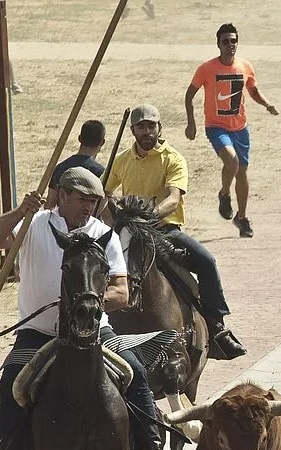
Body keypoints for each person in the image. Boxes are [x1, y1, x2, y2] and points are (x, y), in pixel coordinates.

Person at [0, 167, 187, 450]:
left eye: (94, 201)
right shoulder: (34, 224)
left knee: (136, 374)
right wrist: (19, 212)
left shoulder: (105, 235)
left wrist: (86, 302)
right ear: (62, 195)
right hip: (38, 333)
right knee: (11, 383)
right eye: (82, 199)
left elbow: (121, 292)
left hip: (94, 332)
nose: (89, 206)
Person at [105, 103, 246, 360]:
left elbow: (173, 199)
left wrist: (148, 217)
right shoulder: (121, 160)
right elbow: (103, 192)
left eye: (151, 126)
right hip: (128, 234)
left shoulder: (173, 158)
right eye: (141, 127)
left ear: (159, 128)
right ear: (132, 130)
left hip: (164, 231)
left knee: (207, 261)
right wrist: (114, 215)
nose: (146, 132)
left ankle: (216, 326)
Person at [184, 22, 278, 239]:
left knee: (242, 171)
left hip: (240, 128)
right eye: (225, 42)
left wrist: (267, 104)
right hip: (216, 127)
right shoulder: (206, 68)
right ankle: (224, 194)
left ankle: (242, 218)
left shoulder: (245, 66)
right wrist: (191, 123)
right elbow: (189, 95)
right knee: (232, 161)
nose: (230, 45)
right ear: (218, 44)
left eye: (233, 41)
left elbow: (253, 90)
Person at [46, 119, 106, 210]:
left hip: (60, 218)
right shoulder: (101, 172)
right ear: (102, 142)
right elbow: (103, 206)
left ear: (79, 139)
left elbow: (50, 204)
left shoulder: (61, 167)